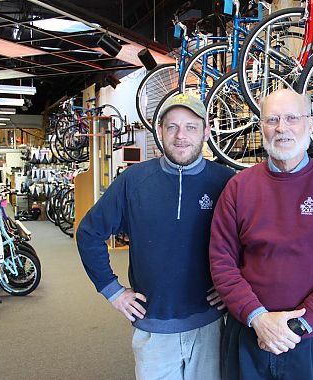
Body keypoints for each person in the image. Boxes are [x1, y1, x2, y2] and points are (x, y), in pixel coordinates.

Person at [208, 89, 313, 379]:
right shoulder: (238, 188)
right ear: (261, 128)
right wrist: (258, 318)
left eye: (292, 118)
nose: (281, 128)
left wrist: (298, 326)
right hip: (250, 334)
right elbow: (222, 262)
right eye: (272, 119)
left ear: (310, 124)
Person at [76, 93, 235, 380]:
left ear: (206, 132)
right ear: (159, 131)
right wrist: (112, 291)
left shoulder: (226, 182)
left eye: (190, 127)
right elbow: (89, 233)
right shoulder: (134, 180)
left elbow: (249, 242)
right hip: (153, 328)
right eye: (172, 126)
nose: (181, 136)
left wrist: (234, 287)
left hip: (210, 324)